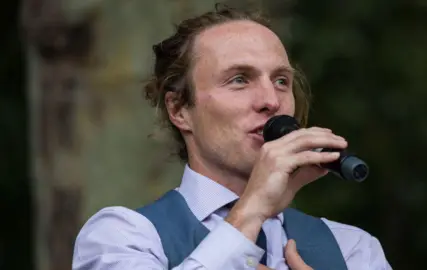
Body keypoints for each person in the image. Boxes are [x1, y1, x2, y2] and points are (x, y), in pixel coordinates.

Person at [73, 4, 392, 270]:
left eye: (281, 81)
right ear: (179, 109)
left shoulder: (353, 250)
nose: (271, 99)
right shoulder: (120, 237)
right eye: (240, 79)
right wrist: (253, 208)